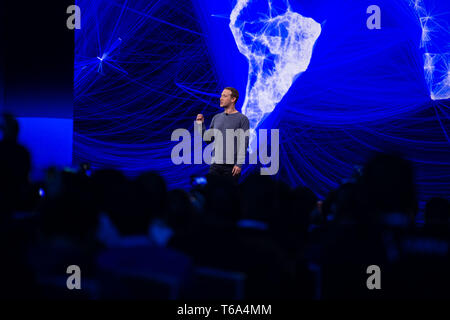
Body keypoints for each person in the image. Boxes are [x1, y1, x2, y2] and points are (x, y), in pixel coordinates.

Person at [196, 87, 249, 184]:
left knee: (229, 196)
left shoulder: (242, 119)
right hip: (215, 165)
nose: (221, 98)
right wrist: (200, 125)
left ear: (233, 99)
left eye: (224, 96)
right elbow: (208, 139)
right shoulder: (216, 118)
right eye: (221, 96)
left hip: (231, 167)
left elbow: (244, 143)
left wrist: (239, 164)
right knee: (211, 194)